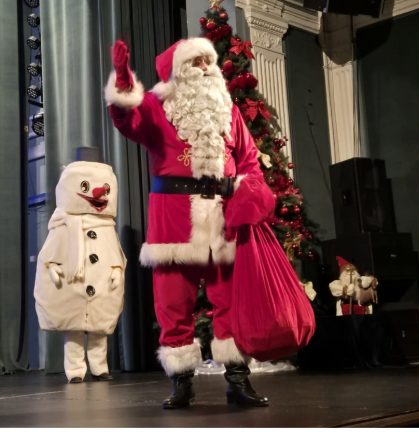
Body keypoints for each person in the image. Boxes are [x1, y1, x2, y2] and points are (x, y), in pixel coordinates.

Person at [104, 38, 275, 408]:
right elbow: (125, 120)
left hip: (222, 219)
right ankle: (181, 382)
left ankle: (238, 379)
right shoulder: (156, 105)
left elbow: (248, 162)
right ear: (178, 70)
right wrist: (121, 80)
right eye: (195, 61)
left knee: (229, 302)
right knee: (172, 303)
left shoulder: (228, 112)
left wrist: (251, 193)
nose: (204, 67)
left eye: (207, 61)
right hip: (173, 221)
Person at [34, 151, 126, 384]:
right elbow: (52, 251)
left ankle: (100, 367)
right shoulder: (64, 221)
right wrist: (53, 268)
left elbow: (113, 251)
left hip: (100, 281)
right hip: (72, 282)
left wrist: (116, 269)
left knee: (99, 329)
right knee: (73, 329)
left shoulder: (106, 224)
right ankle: (75, 370)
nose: (96, 192)